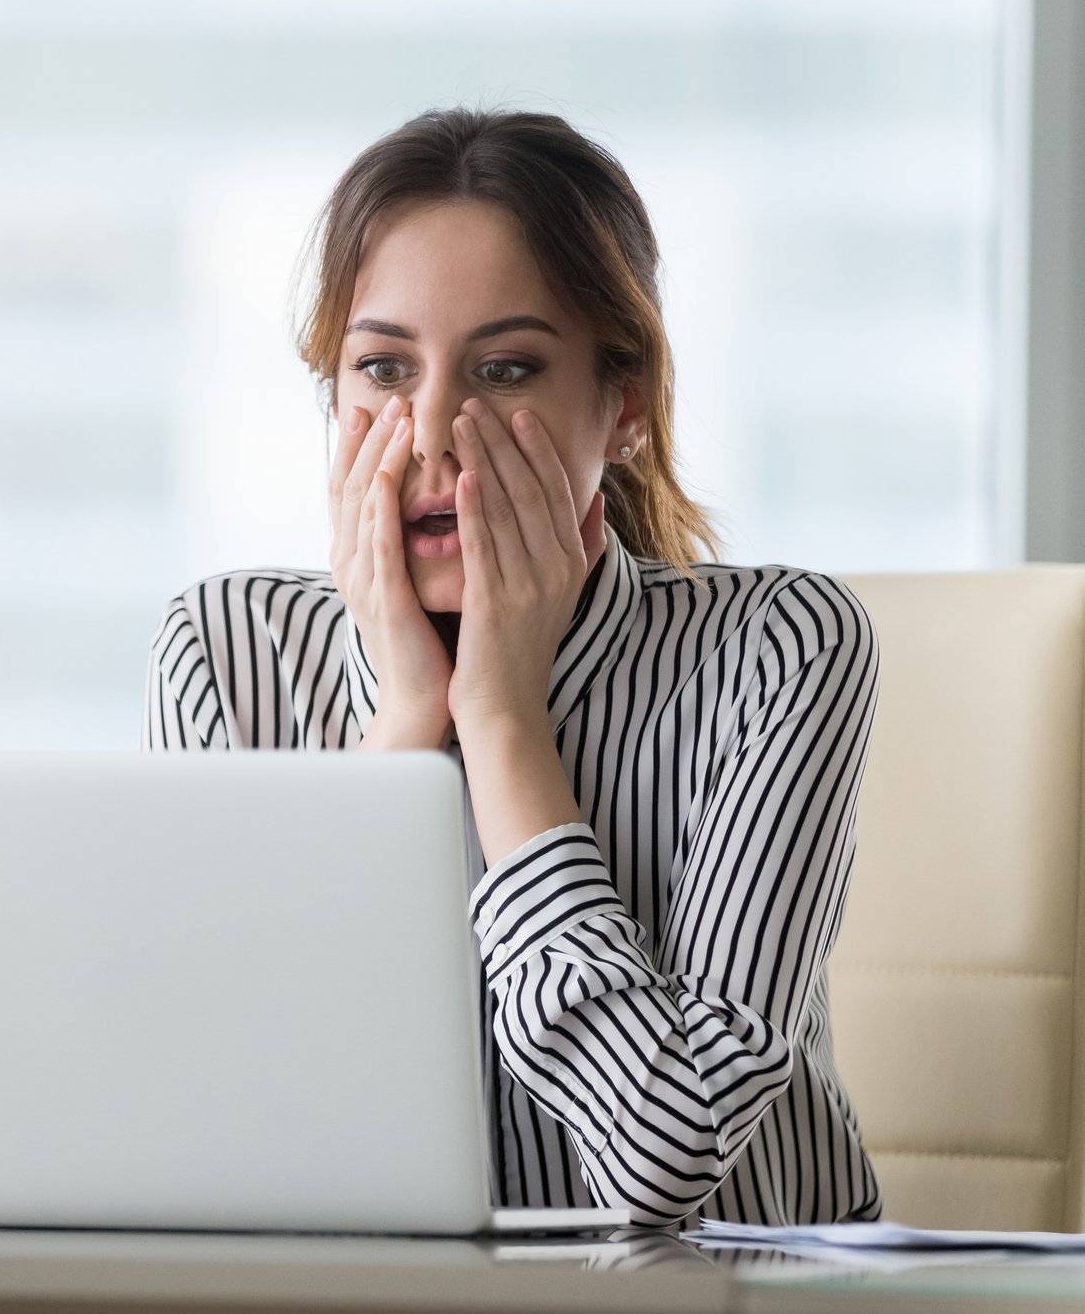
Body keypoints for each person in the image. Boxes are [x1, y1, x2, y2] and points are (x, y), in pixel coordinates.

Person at [144, 108, 882, 1230]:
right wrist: (401, 729)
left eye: (504, 367)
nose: (433, 428)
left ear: (622, 407)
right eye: (383, 366)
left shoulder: (780, 646)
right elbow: (218, 1130)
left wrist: (499, 724)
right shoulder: (227, 652)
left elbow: (662, 1157)